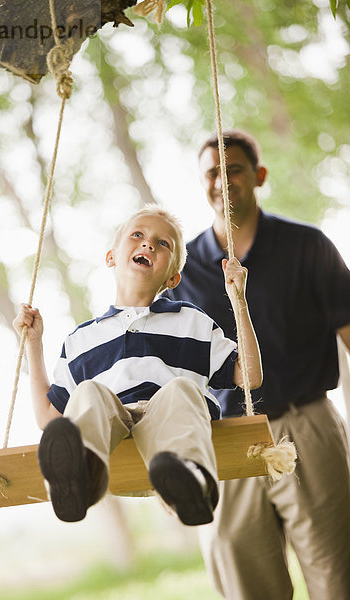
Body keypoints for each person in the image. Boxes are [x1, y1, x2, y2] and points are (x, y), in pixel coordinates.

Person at [166, 129, 350, 599]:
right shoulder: (181, 275)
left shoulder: (308, 245)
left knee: (338, 576)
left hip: (306, 425)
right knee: (245, 585)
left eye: (235, 170)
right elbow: (165, 375)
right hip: (224, 442)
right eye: (212, 172)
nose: (223, 182)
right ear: (200, 182)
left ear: (259, 176)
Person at [13, 205, 262, 526]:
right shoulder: (82, 338)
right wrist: (34, 345)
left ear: (173, 277)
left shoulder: (191, 321)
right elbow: (49, 417)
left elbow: (250, 376)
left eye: (163, 244)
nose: (148, 245)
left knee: (182, 391)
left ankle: (190, 482)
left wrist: (238, 300)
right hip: (111, 426)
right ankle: (78, 476)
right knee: (88, 394)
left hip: (170, 425)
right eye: (138, 235)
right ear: (111, 256)